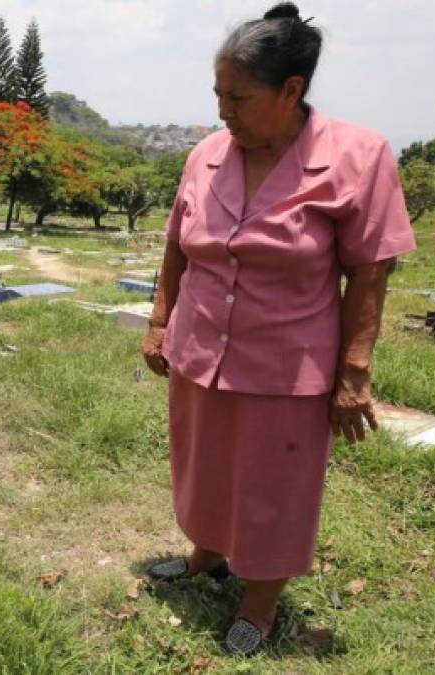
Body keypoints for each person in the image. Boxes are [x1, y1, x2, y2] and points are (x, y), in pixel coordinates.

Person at [140, 2, 416, 656]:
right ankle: (205, 553)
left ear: (290, 91)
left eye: (237, 96)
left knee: (274, 483)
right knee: (202, 460)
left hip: (288, 360)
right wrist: (160, 320)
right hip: (201, 347)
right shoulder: (206, 154)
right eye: (217, 94)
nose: (222, 110)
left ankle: (259, 600)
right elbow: (177, 245)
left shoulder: (358, 156)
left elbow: (369, 273)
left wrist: (353, 373)